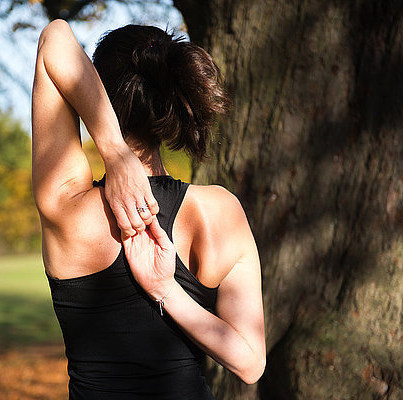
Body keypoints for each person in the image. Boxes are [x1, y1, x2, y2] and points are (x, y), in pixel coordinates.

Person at [31, 19, 266, 399]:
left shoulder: (66, 206)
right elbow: (251, 363)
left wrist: (113, 150)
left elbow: (55, 37)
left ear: (96, 99)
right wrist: (167, 292)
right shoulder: (220, 211)